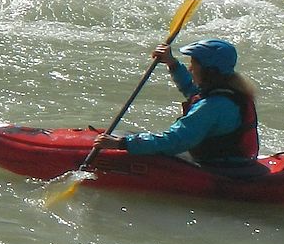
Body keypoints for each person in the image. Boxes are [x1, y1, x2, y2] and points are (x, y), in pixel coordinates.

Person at [95, 39, 260, 171]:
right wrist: (172, 64)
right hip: (235, 161)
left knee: (134, 142)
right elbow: (193, 91)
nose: (189, 69)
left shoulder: (212, 107)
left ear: (209, 71)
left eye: (194, 64)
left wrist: (122, 144)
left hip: (221, 169)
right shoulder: (231, 91)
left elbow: (174, 141)